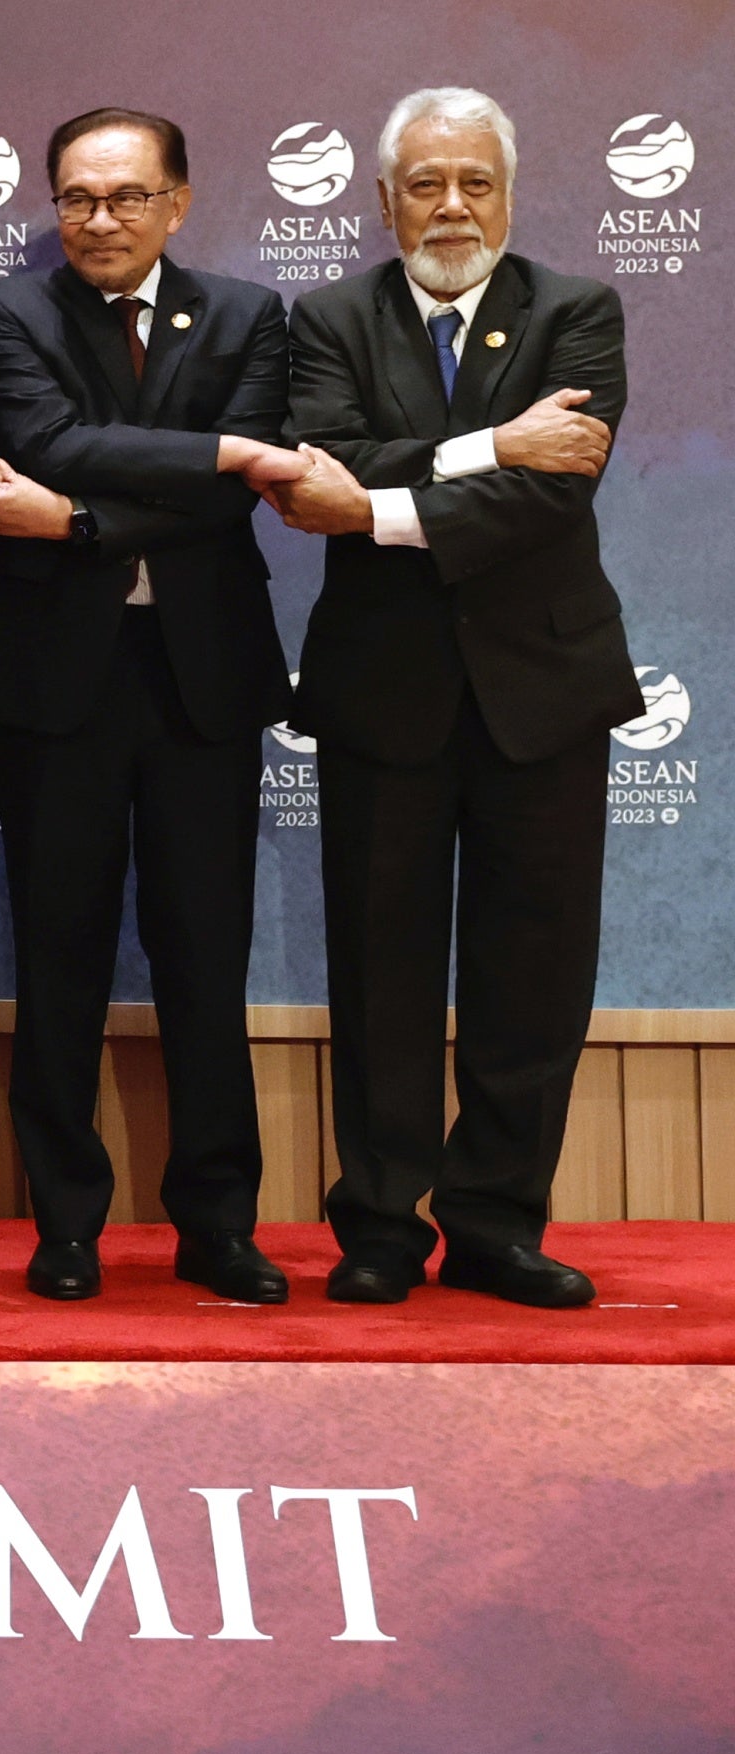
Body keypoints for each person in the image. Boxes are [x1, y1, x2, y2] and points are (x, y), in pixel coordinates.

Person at [259, 88, 634, 1308]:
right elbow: (318, 453)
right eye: (426, 183)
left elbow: (553, 492)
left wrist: (372, 510)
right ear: (383, 201)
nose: (452, 205)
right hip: (383, 697)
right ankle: (377, 1226)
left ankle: (494, 1224)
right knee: (381, 969)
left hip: (545, 690)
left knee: (534, 971)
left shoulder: (577, 310)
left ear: (509, 195)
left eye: (475, 181)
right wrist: (486, 447)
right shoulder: (324, 318)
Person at [0, 109, 306, 1304]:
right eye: (77, 199)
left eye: (126, 197)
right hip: (56, 679)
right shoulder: (6, 313)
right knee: (60, 956)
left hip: (201, 676)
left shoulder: (252, 314)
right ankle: (66, 1225)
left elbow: (233, 475)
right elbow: (46, 439)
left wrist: (86, 518)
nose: (99, 220)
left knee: (206, 955)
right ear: (53, 207)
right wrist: (212, 458)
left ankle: (218, 1225)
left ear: (178, 202)